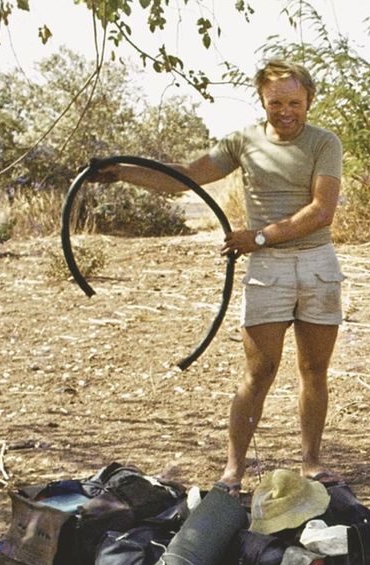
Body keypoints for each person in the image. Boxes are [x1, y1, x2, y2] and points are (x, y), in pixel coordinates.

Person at [93, 59, 344, 491]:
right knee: (259, 371)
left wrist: (259, 237)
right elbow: (185, 179)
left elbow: (321, 211)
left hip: (316, 264)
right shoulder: (243, 141)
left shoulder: (325, 142)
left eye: (294, 102)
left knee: (314, 369)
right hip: (268, 270)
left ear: (309, 100)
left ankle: (312, 463)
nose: (285, 111)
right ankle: (233, 471)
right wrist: (121, 173)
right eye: (275, 103)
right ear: (262, 101)